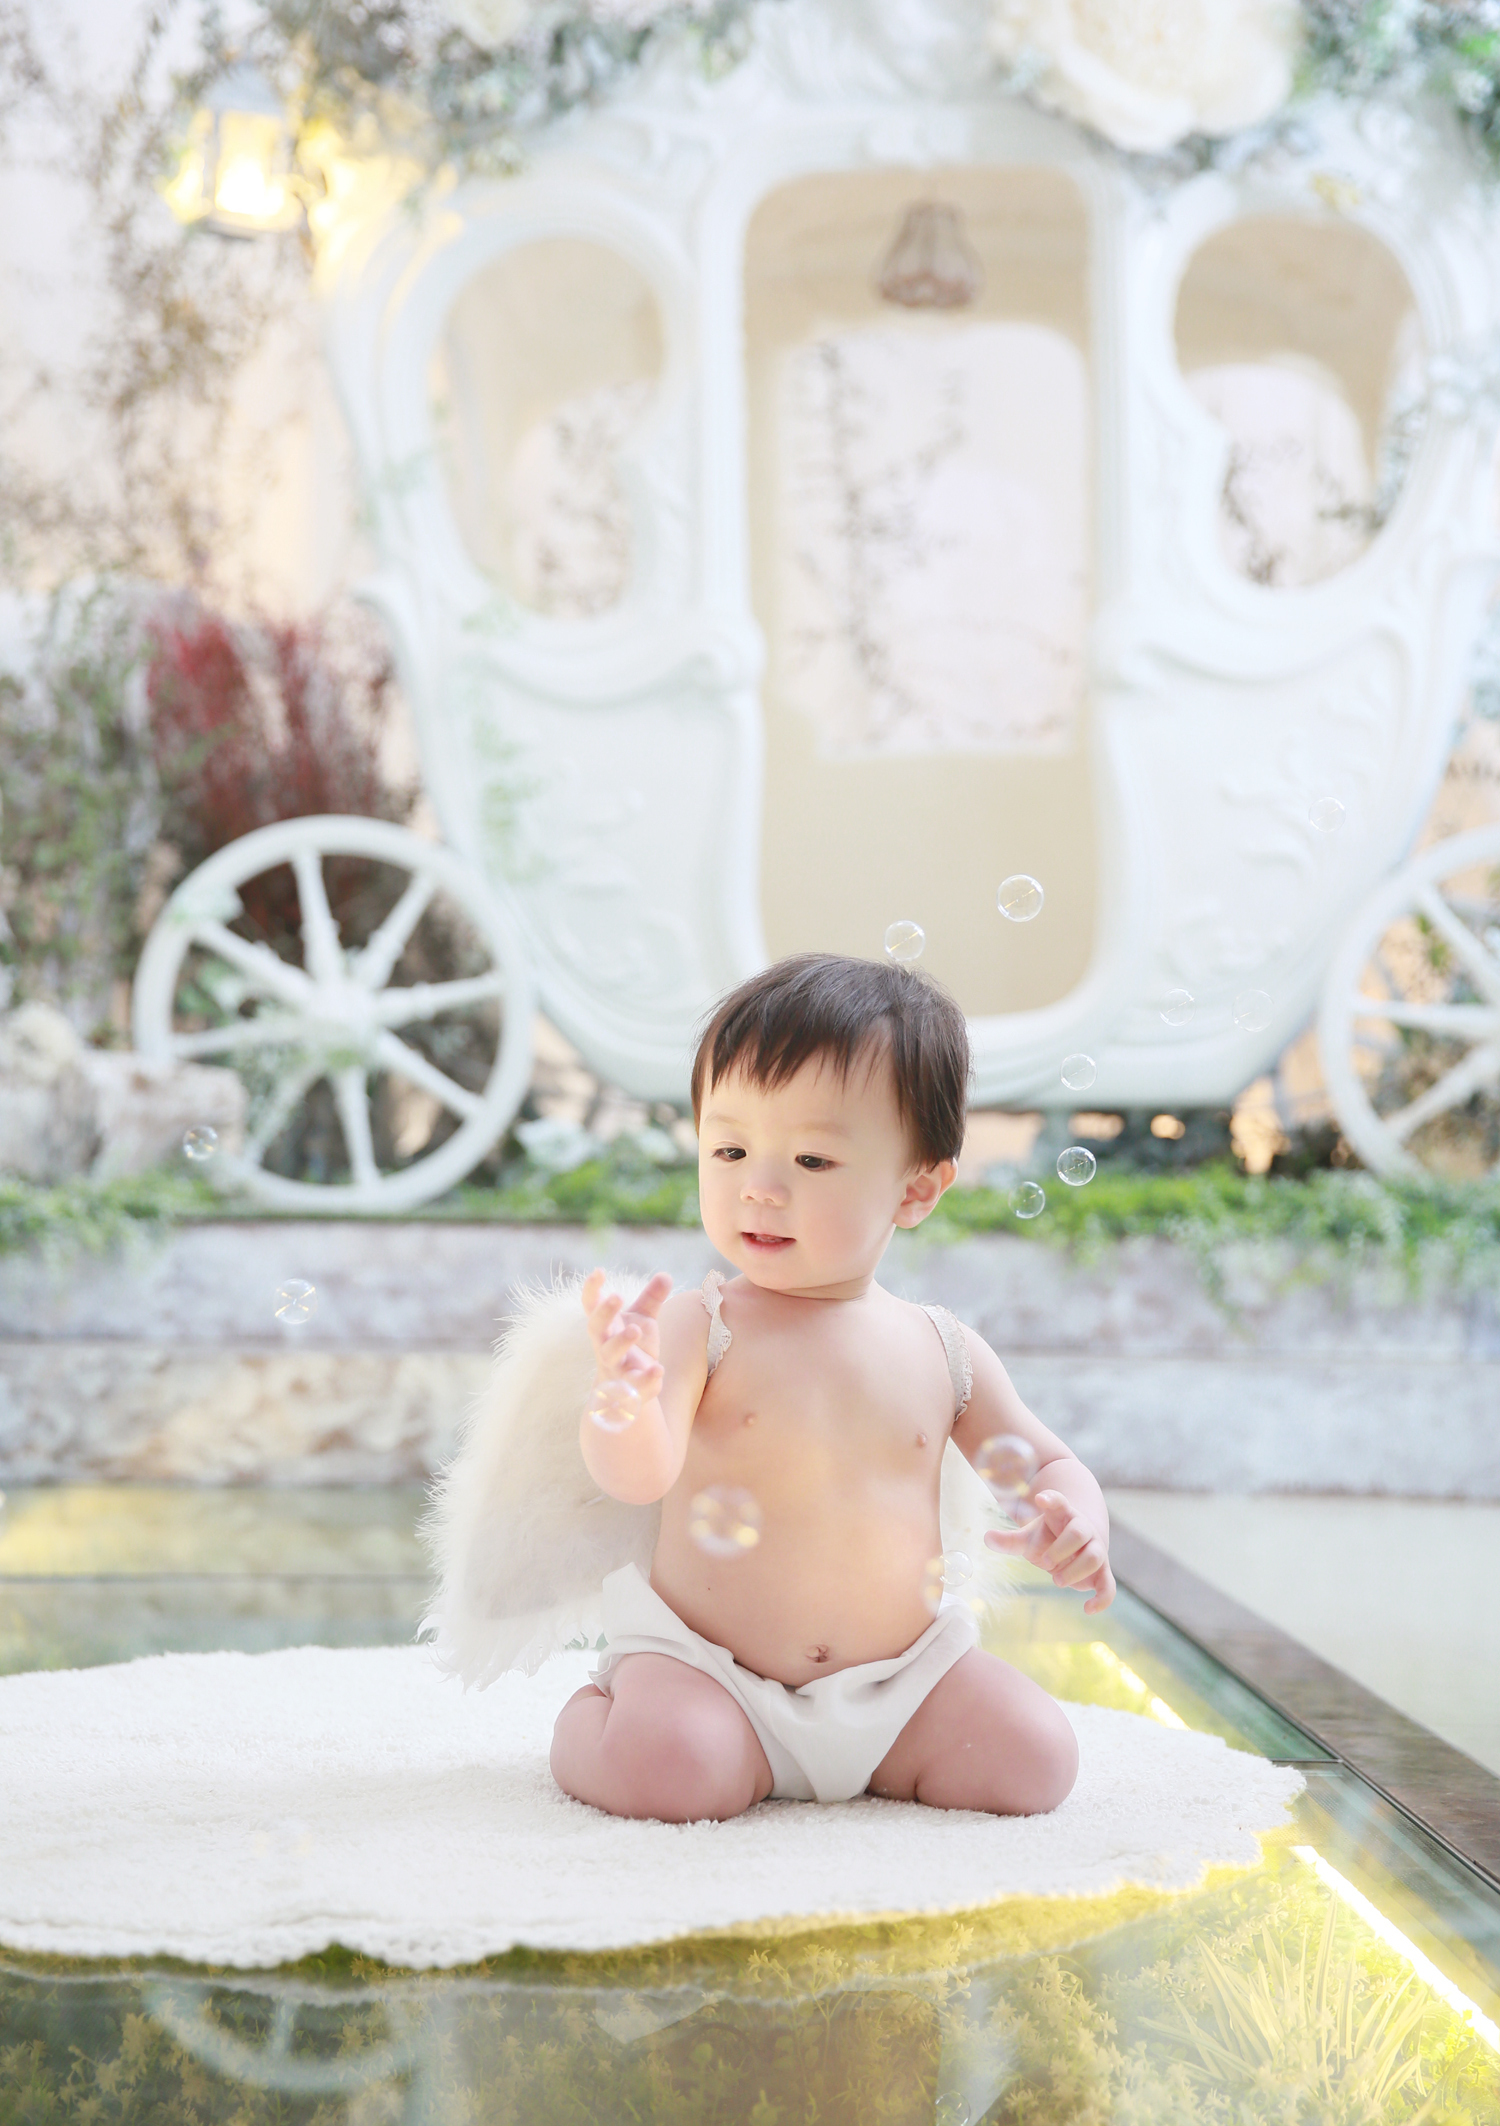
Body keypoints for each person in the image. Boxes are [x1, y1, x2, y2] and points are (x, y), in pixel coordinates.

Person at [548, 953, 1115, 1824]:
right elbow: (638, 1475)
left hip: (903, 1682)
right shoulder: (701, 1323)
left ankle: (873, 1757)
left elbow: (1045, 1462)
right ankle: (597, 1718)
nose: (759, 1186)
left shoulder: (943, 1349)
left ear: (916, 1189)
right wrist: (621, 1399)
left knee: (1035, 1757)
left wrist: (1074, 1517)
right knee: (672, 1768)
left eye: (812, 1159)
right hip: (714, 1674)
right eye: (729, 1149)